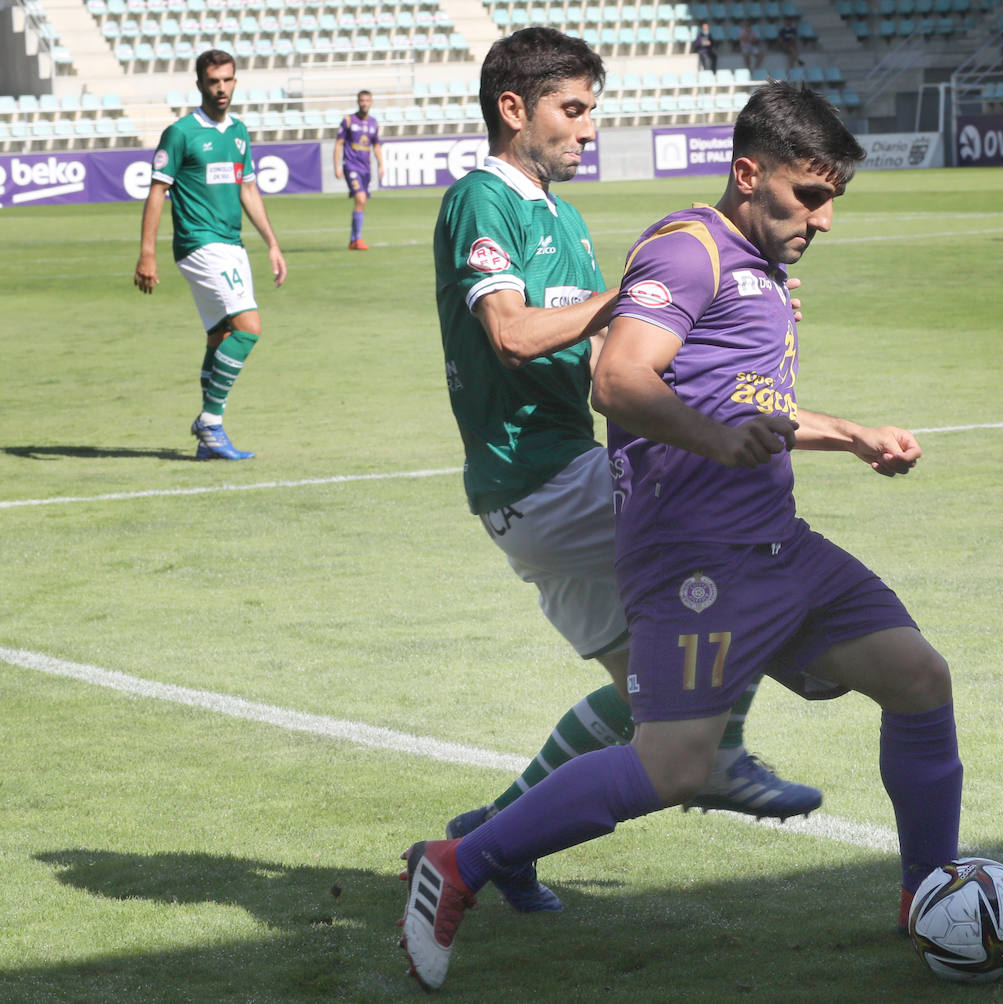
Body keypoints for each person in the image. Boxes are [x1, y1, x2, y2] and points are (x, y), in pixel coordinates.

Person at [398, 82, 963, 993]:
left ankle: (928, 893)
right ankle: (460, 862)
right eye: (808, 197)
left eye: (833, 202)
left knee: (920, 678)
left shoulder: (757, 269)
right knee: (674, 763)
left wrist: (848, 433)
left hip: (779, 544)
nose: (822, 219)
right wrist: (713, 440)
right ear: (750, 173)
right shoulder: (687, 249)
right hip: (696, 558)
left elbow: (742, 403)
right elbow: (619, 381)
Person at [427, 27, 821, 919]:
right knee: (741, 557)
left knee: (645, 701)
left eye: (592, 111)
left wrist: (728, 305)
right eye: (573, 110)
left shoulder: (559, 216)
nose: (588, 128)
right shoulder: (484, 200)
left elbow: (625, 343)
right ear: (513, 109)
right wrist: (640, 289)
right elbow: (516, 335)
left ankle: (485, 842)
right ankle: (723, 758)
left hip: (542, 485)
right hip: (543, 475)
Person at [134, 48, 286, 460]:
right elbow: (157, 191)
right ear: (200, 84)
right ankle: (211, 421)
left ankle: (208, 442)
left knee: (220, 335)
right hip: (199, 243)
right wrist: (147, 253)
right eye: (213, 81)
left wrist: (271, 242)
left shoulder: (238, 131)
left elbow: (248, 189)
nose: (221, 88)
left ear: (236, 81)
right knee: (249, 327)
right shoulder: (180, 133)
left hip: (231, 244)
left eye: (228, 80)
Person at [334, 89, 384, 250]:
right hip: (351, 166)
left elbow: (376, 145)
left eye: (367, 100)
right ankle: (358, 239)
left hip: (365, 169)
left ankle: (354, 239)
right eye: (362, 100)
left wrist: (381, 164)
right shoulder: (348, 121)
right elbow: (339, 144)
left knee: (361, 202)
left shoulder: (373, 123)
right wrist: (337, 166)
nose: (364, 103)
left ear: (371, 102)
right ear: (358, 102)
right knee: (361, 198)